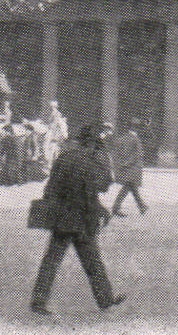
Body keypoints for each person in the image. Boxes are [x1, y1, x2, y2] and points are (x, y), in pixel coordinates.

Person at [29, 125, 124, 316]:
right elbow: (98, 189)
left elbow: (49, 189)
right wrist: (99, 212)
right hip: (81, 218)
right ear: (91, 144)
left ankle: (38, 301)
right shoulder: (90, 162)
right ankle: (105, 299)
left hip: (62, 217)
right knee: (92, 261)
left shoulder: (63, 157)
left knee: (51, 260)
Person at [108, 118, 148, 217]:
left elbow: (116, 153)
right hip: (133, 168)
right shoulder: (135, 139)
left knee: (131, 187)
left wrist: (120, 165)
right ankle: (116, 208)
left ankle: (141, 206)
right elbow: (138, 154)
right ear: (137, 128)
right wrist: (127, 163)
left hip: (126, 168)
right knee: (128, 187)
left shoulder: (122, 139)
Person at [43, 100, 69, 165]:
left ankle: (51, 162)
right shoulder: (55, 114)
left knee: (51, 147)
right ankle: (50, 161)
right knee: (52, 147)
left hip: (54, 133)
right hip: (53, 131)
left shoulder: (56, 114)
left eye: (53, 106)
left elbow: (57, 125)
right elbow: (51, 123)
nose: (52, 108)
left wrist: (57, 134)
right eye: (52, 107)